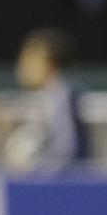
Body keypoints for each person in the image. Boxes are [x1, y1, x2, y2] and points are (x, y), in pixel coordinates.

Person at [11, 28, 89, 170]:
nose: (23, 68)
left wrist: (38, 168)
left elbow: (67, 147)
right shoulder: (44, 96)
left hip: (67, 181)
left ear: (49, 65)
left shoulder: (61, 96)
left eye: (30, 62)